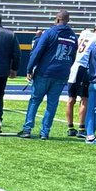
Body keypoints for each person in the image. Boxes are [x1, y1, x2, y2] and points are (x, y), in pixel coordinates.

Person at [17, 9, 78, 140]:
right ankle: (45, 132)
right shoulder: (73, 36)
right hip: (62, 73)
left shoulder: (50, 32)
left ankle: (27, 128)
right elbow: (73, 56)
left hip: (45, 72)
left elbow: (37, 51)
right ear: (68, 20)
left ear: (57, 19)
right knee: (52, 103)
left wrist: (29, 68)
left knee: (35, 100)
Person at [66, 19, 96, 137]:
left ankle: (70, 127)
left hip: (74, 67)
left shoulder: (85, 33)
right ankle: (81, 128)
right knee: (84, 99)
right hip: (84, 68)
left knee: (71, 99)